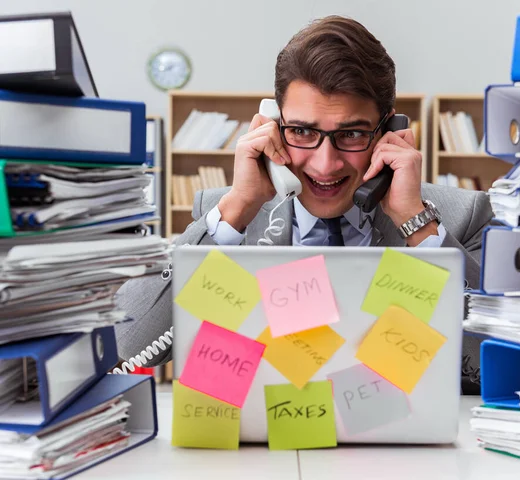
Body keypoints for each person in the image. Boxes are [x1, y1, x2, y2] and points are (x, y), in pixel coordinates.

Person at [114, 15, 493, 393]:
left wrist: (417, 225)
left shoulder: (458, 219)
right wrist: (237, 210)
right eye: (302, 131)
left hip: (403, 445)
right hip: (260, 448)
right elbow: (130, 345)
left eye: (352, 133)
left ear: (389, 133)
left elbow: (500, 364)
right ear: (273, 126)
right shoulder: (226, 221)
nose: (324, 164)